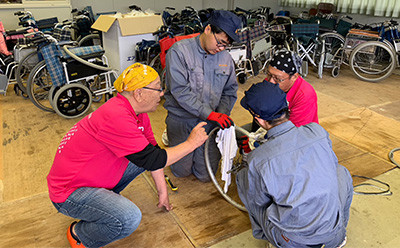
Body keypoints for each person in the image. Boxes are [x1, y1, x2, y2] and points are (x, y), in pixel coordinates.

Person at [47, 63, 209, 248]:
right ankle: (80, 234)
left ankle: (105, 200)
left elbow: (152, 153)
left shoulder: (136, 113)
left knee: (143, 156)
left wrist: (163, 193)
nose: (162, 93)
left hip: (88, 178)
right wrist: (191, 143)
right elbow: (154, 159)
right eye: (158, 88)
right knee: (128, 218)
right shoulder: (116, 116)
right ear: (138, 93)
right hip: (69, 193)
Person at [237, 81, 353, 248]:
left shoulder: (258, 159)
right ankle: (337, 236)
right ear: (286, 107)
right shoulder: (317, 131)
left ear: (259, 120)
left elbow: (259, 203)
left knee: (243, 177)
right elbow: (329, 166)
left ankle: (273, 238)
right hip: (331, 234)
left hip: (292, 241)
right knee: (341, 172)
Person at [163, 10, 241, 182]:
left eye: (225, 46)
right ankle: (170, 135)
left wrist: (221, 115)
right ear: (207, 29)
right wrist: (210, 113)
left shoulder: (226, 58)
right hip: (182, 119)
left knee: (205, 176)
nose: (220, 49)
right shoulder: (179, 52)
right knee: (180, 172)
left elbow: (229, 90)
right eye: (220, 42)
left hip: (210, 123)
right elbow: (180, 91)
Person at [251, 50, 318, 132]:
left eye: (278, 79)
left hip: (298, 135)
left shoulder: (304, 96)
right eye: (269, 74)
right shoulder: (270, 81)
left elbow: (294, 132)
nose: (271, 82)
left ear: (294, 77)